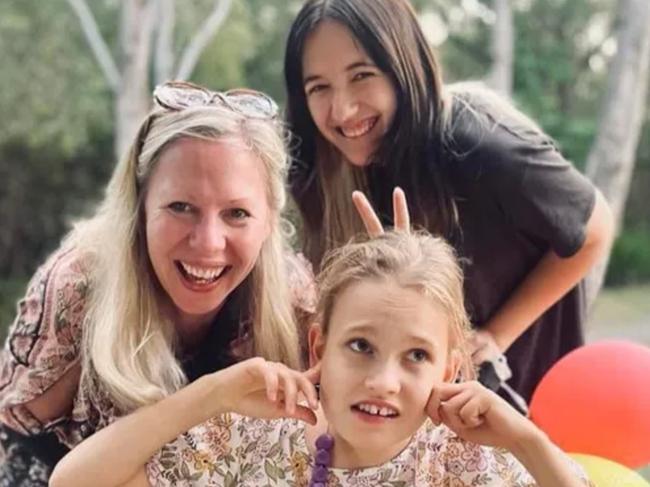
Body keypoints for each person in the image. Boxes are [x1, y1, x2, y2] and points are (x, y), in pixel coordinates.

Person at [50, 231, 592, 486]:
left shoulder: (469, 463)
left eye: (416, 356)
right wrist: (208, 394)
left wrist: (526, 440)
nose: (383, 381)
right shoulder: (249, 441)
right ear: (318, 348)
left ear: (449, 371)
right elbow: (73, 483)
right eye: (360, 347)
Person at [283, 0, 614, 404]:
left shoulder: (481, 145)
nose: (343, 109)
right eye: (319, 87)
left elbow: (594, 229)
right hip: (414, 411)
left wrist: (496, 335)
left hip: (524, 400)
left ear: (405, 66)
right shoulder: (315, 169)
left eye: (362, 76)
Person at [0, 81, 316, 485]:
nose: (207, 243)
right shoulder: (79, 288)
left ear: (269, 219)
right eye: (181, 207)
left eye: (236, 213)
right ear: (141, 206)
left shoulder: (295, 300)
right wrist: (208, 397)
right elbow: (16, 445)